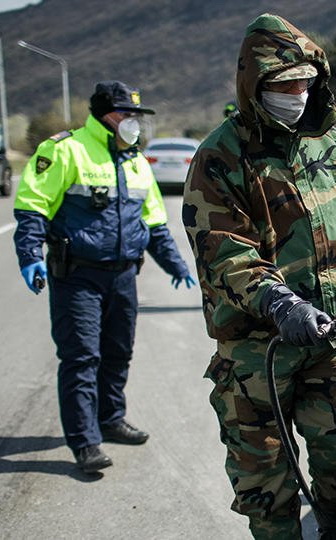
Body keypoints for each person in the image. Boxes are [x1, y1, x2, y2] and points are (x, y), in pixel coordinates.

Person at [182, 13, 336, 540]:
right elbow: (225, 254)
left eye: (305, 82)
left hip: (334, 338)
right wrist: (281, 304)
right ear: (254, 85)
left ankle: (333, 522)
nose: (297, 93)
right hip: (259, 349)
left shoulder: (331, 145)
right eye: (284, 85)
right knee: (267, 488)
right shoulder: (220, 156)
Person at [13, 80, 196, 474]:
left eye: (136, 116)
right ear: (103, 115)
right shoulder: (65, 150)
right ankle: (85, 441)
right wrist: (30, 255)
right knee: (81, 358)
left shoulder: (134, 161)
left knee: (118, 353)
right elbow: (31, 208)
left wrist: (175, 264)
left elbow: (152, 223)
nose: (133, 122)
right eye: (125, 115)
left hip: (123, 276)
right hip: (77, 276)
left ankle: (110, 418)